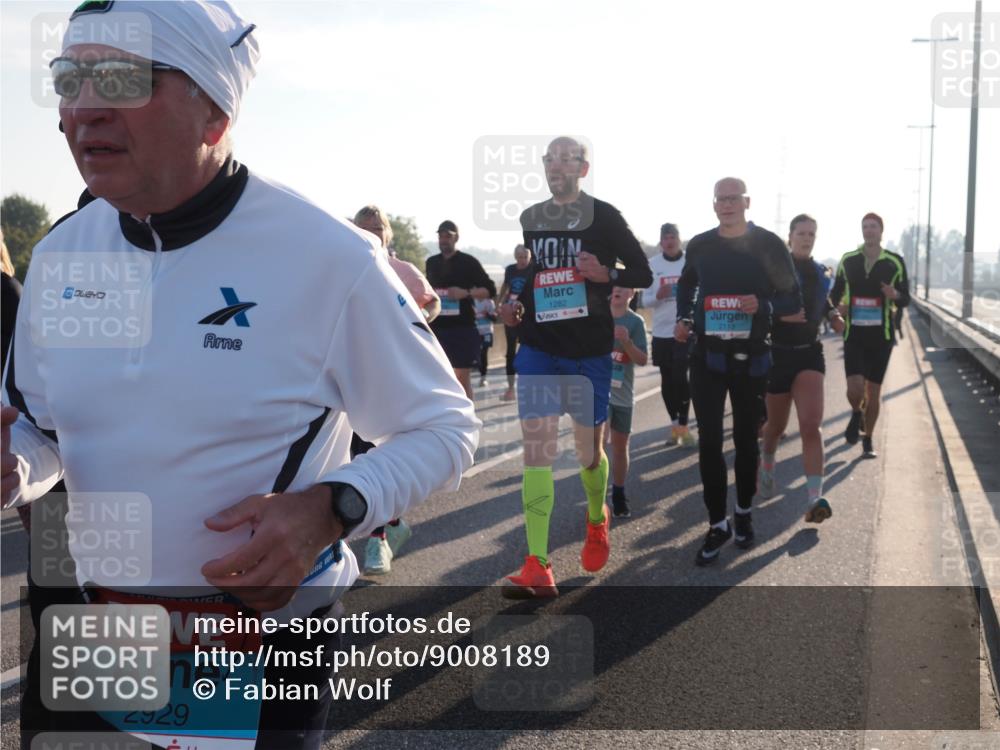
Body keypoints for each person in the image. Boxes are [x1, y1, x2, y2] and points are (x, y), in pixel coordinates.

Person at [0, 4, 479, 748]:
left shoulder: (328, 257)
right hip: (97, 625)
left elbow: (446, 427)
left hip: (256, 638)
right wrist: (15, 465)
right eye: (69, 79)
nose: (82, 109)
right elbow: (40, 427)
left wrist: (333, 507)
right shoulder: (66, 254)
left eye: (122, 79)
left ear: (214, 114)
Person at [499, 136, 652, 598]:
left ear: (583, 169)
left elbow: (642, 272)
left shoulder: (604, 216)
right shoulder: (533, 219)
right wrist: (516, 308)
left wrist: (608, 275)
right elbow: (537, 278)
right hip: (540, 347)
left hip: (588, 350)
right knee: (538, 449)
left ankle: (595, 516)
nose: (556, 165)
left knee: (588, 454)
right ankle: (537, 563)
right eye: (549, 159)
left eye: (566, 158)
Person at [675, 177, 802, 566]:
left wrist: (761, 304)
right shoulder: (699, 245)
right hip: (707, 357)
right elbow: (686, 285)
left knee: (745, 441)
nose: (727, 205)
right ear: (714, 205)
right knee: (710, 442)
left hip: (750, 358)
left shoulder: (767, 245)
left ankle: (743, 512)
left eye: (734, 199)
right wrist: (683, 317)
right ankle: (718, 523)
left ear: (746, 202)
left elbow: (791, 296)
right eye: (721, 199)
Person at [351, 205, 441, 576]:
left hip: (392, 374)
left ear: (388, 235)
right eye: (364, 229)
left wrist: (417, 321)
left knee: (379, 453)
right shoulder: (346, 266)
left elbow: (432, 302)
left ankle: (378, 541)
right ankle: (393, 524)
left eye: (377, 229)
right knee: (359, 455)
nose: (372, 234)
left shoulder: (402, 270)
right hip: (353, 373)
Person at [758, 214, 845, 523]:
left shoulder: (821, 272)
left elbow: (825, 302)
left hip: (809, 354)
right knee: (775, 429)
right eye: (802, 233)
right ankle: (767, 459)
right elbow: (758, 305)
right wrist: (781, 318)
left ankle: (814, 498)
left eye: (812, 233)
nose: (807, 238)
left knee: (810, 424)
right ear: (790, 236)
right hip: (777, 355)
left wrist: (834, 317)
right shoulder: (774, 270)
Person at [830, 212, 910, 458]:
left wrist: (894, 295)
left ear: (881, 230)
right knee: (855, 389)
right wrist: (837, 310)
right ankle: (857, 412)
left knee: (873, 392)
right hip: (854, 335)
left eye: (873, 226)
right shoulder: (848, 260)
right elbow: (834, 294)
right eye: (865, 226)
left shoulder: (894, 262)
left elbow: (906, 298)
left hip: (881, 337)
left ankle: (868, 439)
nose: (869, 230)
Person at [425, 220, 497, 400]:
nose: (443, 240)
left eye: (448, 236)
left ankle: (467, 422)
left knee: (461, 377)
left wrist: (465, 293)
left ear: (456, 238)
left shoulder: (468, 262)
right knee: (438, 379)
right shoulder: (431, 262)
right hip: (437, 328)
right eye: (441, 236)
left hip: (462, 328)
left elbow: (490, 290)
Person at [641, 222, 694, 448]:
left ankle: (683, 424)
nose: (670, 241)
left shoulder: (690, 263)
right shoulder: (652, 265)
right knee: (668, 380)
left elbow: (698, 293)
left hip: (684, 330)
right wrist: (658, 296)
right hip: (661, 332)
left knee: (681, 378)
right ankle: (675, 425)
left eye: (673, 237)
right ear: (661, 242)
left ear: (679, 239)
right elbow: (642, 300)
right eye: (666, 238)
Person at [608, 286, 648, 517]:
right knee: (598, 441)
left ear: (632, 294)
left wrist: (627, 342)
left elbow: (642, 360)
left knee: (620, 446)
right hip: (598, 391)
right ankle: (596, 493)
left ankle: (619, 492)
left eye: (624, 288)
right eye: (615, 287)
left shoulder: (636, 322)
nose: (618, 291)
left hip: (622, 393)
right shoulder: (598, 316)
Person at [498, 244, 532, 401]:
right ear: (515, 257)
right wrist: (499, 304)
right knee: (510, 351)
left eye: (525, 257)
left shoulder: (533, 269)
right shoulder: (510, 270)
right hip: (510, 313)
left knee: (529, 348)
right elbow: (505, 287)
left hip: (528, 314)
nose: (523, 260)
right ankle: (511, 388)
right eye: (520, 257)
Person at [474, 295, 498, 387]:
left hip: (487, 332)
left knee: (484, 353)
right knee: (478, 354)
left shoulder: (489, 302)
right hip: (476, 332)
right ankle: (481, 372)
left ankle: (483, 377)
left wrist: (487, 314)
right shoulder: (472, 301)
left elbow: (495, 319)